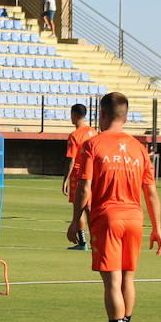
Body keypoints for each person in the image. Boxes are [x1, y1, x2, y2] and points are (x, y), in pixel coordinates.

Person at [69, 92, 161, 322]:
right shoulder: (139, 148)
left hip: (107, 218)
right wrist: (156, 228)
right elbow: (152, 193)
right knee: (128, 278)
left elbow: (84, 188)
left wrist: (76, 221)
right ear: (126, 115)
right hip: (135, 218)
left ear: (102, 114)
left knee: (112, 281)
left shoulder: (93, 145)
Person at [62, 102, 95, 249]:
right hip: (93, 173)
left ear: (74, 115)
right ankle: (95, 239)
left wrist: (65, 180)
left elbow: (71, 159)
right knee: (90, 207)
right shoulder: (94, 132)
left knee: (80, 207)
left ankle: (83, 242)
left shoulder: (74, 135)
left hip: (78, 173)